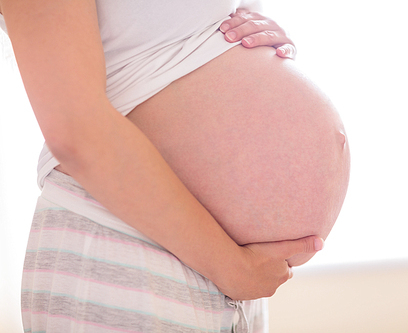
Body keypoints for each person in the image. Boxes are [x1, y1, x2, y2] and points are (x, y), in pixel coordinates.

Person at [0, 0, 350, 332]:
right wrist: (230, 267)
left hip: (225, 262)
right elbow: (74, 128)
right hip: (126, 244)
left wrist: (259, 37)